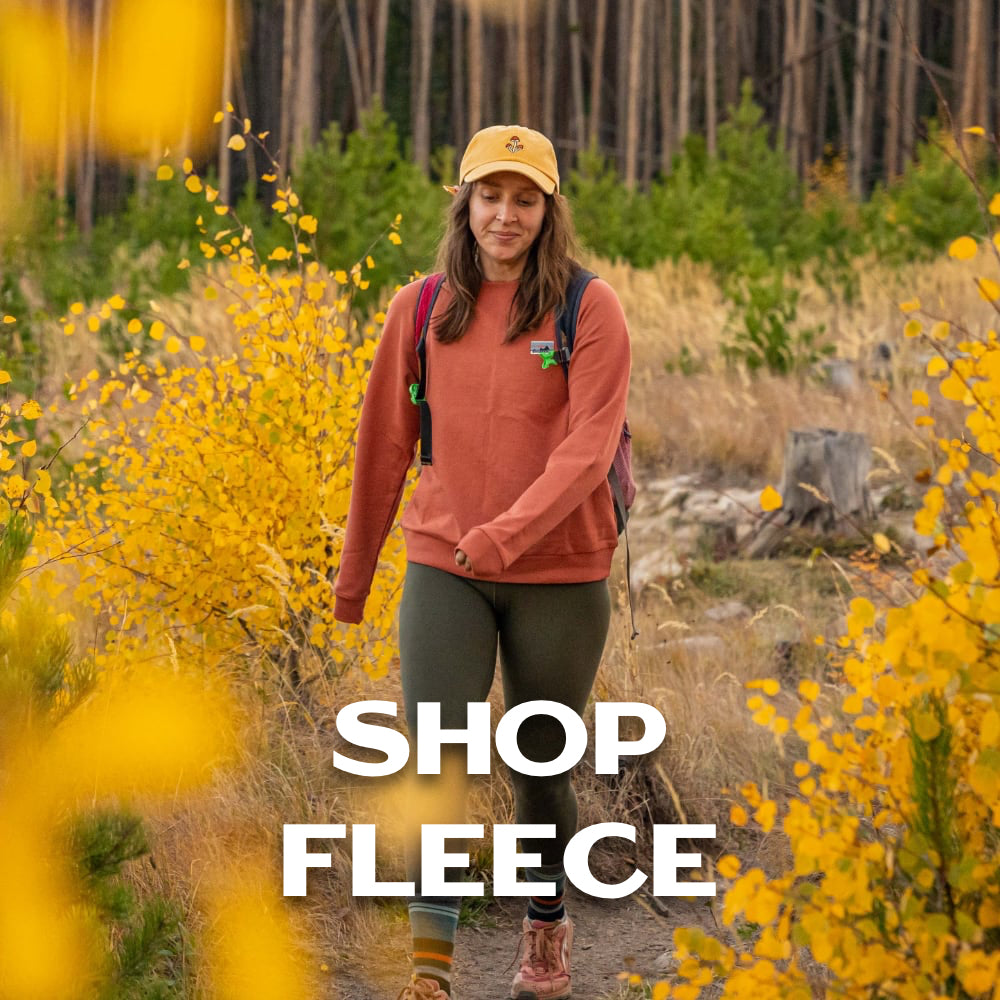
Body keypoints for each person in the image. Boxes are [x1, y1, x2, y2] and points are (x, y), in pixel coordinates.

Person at [334, 124, 631, 1000]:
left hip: (563, 575)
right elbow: (383, 444)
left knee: (541, 766)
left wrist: (506, 533)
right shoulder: (420, 309)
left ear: (548, 210)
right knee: (438, 760)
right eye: (490, 196)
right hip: (444, 567)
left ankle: (545, 929)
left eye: (525, 199)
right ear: (464, 203)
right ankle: (431, 971)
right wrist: (354, 579)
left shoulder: (590, 306)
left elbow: (587, 449)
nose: (506, 215)